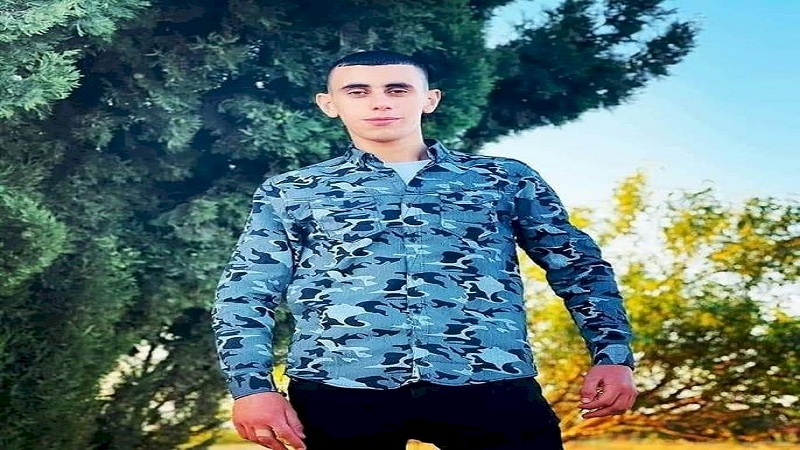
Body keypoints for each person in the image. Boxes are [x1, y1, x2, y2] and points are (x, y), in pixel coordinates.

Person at [212, 50, 637, 450]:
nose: (379, 102)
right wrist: (252, 388)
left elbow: (579, 267)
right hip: (338, 388)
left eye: (397, 89)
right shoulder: (292, 191)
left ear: (429, 99)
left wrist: (613, 356)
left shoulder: (503, 179)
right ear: (329, 104)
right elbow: (246, 291)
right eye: (358, 91)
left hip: (489, 380)